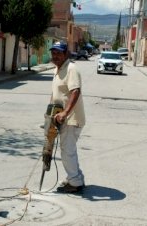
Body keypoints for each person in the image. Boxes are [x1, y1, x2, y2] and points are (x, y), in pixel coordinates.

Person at [49, 41, 86, 193]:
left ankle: (75, 182)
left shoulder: (71, 69)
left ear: (66, 54)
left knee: (67, 151)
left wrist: (65, 112)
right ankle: (75, 177)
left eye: (58, 52)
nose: (55, 55)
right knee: (68, 150)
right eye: (53, 52)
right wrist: (49, 113)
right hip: (60, 117)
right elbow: (56, 94)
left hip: (71, 119)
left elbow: (75, 91)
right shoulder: (57, 69)